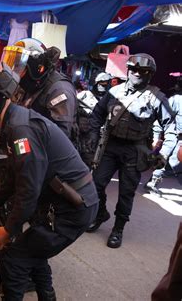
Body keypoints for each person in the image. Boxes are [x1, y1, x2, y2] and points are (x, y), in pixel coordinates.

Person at [0, 67, 98, 301]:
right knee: (34, 252)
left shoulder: (20, 129)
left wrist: (7, 231)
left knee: (15, 260)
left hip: (72, 207)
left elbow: (28, 189)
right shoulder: (13, 121)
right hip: (65, 201)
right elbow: (13, 172)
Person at [87, 53, 177, 249]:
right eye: (134, 70)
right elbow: (97, 115)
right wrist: (93, 136)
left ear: (150, 74)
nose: (137, 74)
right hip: (111, 146)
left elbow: (171, 127)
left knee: (126, 193)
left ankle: (118, 229)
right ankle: (101, 213)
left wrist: (163, 153)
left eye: (142, 71)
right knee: (95, 185)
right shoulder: (115, 91)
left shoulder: (156, 97)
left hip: (135, 150)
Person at [0, 38, 78, 143]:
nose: (14, 71)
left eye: (18, 67)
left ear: (34, 68)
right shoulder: (29, 85)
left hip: (51, 154)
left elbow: (61, 136)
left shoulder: (60, 90)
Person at [146, 74, 182, 194]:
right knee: (169, 161)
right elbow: (161, 118)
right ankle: (153, 181)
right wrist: (156, 137)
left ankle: (153, 180)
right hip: (173, 136)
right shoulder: (176, 100)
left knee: (174, 164)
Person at [76, 72, 113, 167]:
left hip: (98, 136)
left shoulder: (109, 99)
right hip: (81, 134)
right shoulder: (84, 95)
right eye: (101, 83)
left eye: (106, 84)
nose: (103, 86)